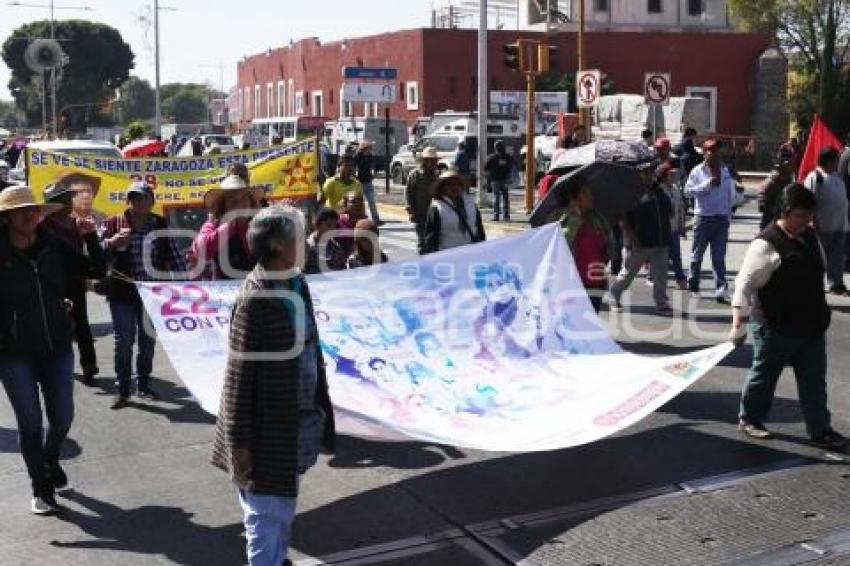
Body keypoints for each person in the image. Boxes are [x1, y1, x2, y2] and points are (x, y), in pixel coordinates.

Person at [211, 205, 335, 566]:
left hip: (294, 424)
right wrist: (239, 444)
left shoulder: (297, 282)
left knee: (282, 510)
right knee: (264, 518)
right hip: (264, 432)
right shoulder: (255, 298)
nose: (307, 243)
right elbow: (238, 378)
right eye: (300, 235)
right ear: (280, 246)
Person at [0, 185, 106, 514]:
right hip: (13, 354)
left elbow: (95, 271)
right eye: (22, 210)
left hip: (57, 346)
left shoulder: (53, 245)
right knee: (30, 423)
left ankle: (48, 459)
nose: (30, 215)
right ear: (6, 218)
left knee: (62, 417)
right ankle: (41, 487)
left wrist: (90, 238)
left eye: (34, 209)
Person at [730, 183, 846, 449]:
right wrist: (738, 323)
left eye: (809, 215)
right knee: (764, 375)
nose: (806, 221)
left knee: (814, 382)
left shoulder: (810, 236)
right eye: (801, 216)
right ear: (784, 212)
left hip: (811, 325)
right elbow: (744, 284)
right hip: (776, 327)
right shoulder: (766, 244)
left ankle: (820, 429)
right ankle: (750, 419)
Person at [102, 182, 187, 409]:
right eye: (135, 198)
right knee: (123, 342)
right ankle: (122, 389)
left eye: (144, 198)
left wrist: (188, 284)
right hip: (122, 293)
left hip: (152, 294)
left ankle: (144, 384)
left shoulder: (159, 224)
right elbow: (95, 250)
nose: (139, 203)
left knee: (147, 342)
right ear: (128, 201)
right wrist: (112, 242)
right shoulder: (113, 223)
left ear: (152, 201)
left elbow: (174, 255)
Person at [41, 182, 102, 384]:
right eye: (62, 200)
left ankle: (89, 366)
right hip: (52, 284)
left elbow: (87, 257)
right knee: (57, 327)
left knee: (81, 325)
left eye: (68, 199)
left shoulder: (77, 223)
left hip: (76, 280)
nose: (67, 203)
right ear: (52, 204)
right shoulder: (43, 228)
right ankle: (59, 365)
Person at [609, 162, 674, 314]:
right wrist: (631, 236)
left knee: (661, 275)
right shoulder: (632, 192)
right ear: (639, 174)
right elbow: (622, 217)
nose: (649, 175)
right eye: (645, 172)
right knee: (627, 274)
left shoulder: (659, 190)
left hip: (660, 240)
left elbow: (669, 210)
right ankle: (614, 295)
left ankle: (661, 302)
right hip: (639, 242)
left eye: (651, 172)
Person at [684, 139, 737, 302]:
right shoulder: (697, 171)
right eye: (711, 151)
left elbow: (730, 194)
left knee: (719, 257)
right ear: (705, 153)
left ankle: (721, 290)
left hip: (721, 219)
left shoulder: (725, 170)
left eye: (717, 150)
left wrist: (729, 214)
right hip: (704, 218)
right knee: (697, 254)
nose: (714, 153)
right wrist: (706, 185)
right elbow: (687, 192)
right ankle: (693, 284)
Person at [556, 178, 614, 312]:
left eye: (590, 194)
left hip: (595, 283)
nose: (591, 197)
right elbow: (560, 244)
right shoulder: (560, 218)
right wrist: (575, 217)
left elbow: (609, 247)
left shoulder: (597, 217)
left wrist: (609, 249)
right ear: (574, 198)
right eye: (586, 194)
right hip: (571, 285)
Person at [193, 174, 263, 280]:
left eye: (244, 198)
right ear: (223, 205)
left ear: (250, 202)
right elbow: (201, 251)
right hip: (225, 292)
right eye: (233, 200)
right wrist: (229, 226)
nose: (239, 204)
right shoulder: (212, 225)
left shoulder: (261, 224)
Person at [803, 146, 848, 294]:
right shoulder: (815, 177)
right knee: (820, 258)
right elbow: (808, 201)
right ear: (828, 161)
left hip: (840, 225)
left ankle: (836, 283)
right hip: (822, 226)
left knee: (837, 257)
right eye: (836, 160)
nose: (838, 163)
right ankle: (815, 283)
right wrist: (811, 221)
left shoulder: (836, 176)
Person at [422, 169, 485, 254]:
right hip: (447, 254)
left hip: (470, 252)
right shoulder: (437, 207)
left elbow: (479, 228)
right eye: (449, 184)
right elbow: (431, 237)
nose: (453, 187)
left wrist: (483, 248)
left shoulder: (471, 203)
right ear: (442, 188)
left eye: (456, 184)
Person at [657, 162, 688, 290]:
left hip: (674, 229)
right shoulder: (658, 190)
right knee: (661, 256)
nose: (673, 176)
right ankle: (654, 277)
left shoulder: (675, 189)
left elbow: (681, 208)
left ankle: (680, 279)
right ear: (664, 176)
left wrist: (682, 226)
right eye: (670, 174)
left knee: (676, 255)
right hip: (662, 230)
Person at [405, 146, 440, 254]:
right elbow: (408, 193)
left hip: (435, 214)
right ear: (425, 160)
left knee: (434, 241)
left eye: (434, 160)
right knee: (422, 243)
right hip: (420, 213)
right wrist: (411, 212)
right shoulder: (415, 174)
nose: (432, 162)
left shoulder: (437, 175)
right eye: (430, 160)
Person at [757, 150, 795, 231]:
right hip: (771, 212)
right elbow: (763, 191)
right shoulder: (774, 178)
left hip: (782, 212)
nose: (790, 168)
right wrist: (763, 203)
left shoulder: (789, 179)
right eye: (788, 165)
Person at [304, 207, 346, 274]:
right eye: (329, 225)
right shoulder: (307, 247)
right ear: (317, 225)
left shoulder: (336, 247)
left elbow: (342, 270)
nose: (332, 229)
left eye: (335, 226)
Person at [484, 140, 515, 222]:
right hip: (505, 180)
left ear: (495, 148)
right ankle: (506, 216)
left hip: (495, 180)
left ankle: (496, 216)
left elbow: (486, 168)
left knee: (496, 198)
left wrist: (489, 176)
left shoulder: (492, 157)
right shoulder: (508, 157)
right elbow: (512, 165)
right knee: (505, 198)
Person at [353, 141, 380, 224]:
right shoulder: (357, 156)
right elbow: (353, 166)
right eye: (368, 148)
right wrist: (355, 173)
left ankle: (376, 219)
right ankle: (362, 218)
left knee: (371, 201)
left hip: (368, 181)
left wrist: (373, 171)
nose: (370, 149)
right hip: (359, 182)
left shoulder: (370, 156)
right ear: (363, 148)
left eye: (370, 148)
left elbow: (372, 166)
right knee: (359, 202)